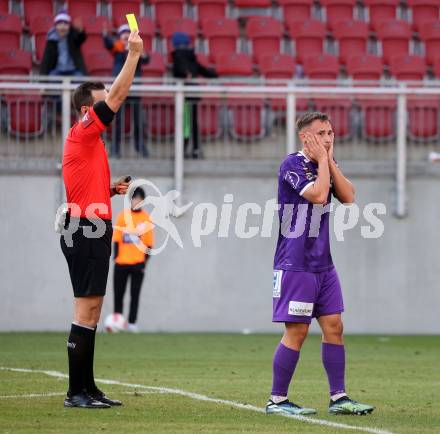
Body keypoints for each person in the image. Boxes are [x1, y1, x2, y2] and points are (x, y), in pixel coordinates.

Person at [267, 112, 375, 416]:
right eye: (322, 133)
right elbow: (317, 196)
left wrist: (327, 161)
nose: (328, 138)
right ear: (306, 138)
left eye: (331, 132)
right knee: (297, 331)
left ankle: (339, 398)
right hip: (295, 262)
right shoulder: (292, 164)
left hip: (323, 263)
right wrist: (325, 162)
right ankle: (277, 400)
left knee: (334, 326)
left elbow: (349, 196)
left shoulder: (326, 163)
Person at [59, 29, 144, 408]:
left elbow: (80, 187)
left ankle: (87, 388)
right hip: (85, 228)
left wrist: (109, 192)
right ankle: (75, 392)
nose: (107, 105)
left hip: (93, 224)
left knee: (92, 310)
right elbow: (118, 95)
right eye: (99, 102)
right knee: (85, 309)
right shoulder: (82, 133)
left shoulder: (90, 142)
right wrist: (134, 56)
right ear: (85, 111)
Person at [103, 24, 150, 158]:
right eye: (123, 33)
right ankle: (115, 149)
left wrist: (139, 49)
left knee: (138, 120)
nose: (125, 35)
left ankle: (140, 147)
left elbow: (146, 59)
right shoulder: (118, 48)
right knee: (117, 121)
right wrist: (105, 36)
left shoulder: (136, 49)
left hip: (134, 88)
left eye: (127, 33)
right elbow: (108, 45)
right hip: (120, 90)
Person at [112, 187, 154, 333]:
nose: (136, 201)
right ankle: (117, 322)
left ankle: (132, 323)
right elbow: (116, 239)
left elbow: (149, 244)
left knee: (134, 295)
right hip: (121, 263)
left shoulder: (146, 219)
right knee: (118, 294)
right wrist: (115, 258)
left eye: (139, 199)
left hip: (137, 264)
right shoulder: (122, 216)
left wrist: (144, 263)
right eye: (134, 198)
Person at [171, 32, 218, 159]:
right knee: (193, 124)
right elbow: (206, 72)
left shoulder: (177, 57)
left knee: (184, 126)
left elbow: (179, 71)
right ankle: (196, 149)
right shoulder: (192, 58)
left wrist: (185, 75)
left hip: (184, 98)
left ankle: (182, 151)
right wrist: (216, 73)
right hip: (193, 96)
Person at [40, 12, 87, 77]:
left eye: (65, 24)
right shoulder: (51, 40)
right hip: (57, 70)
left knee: (81, 80)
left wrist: (80, 31)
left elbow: (81, 38)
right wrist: (42, 79)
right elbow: (46, 60)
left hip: (73, 70)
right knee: (51, 79)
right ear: (55, 26)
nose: (62, 27)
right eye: (60, 24)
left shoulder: (73, 36)